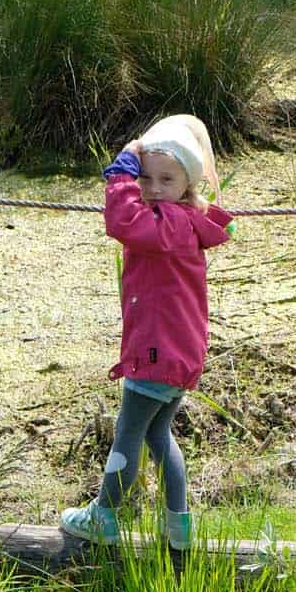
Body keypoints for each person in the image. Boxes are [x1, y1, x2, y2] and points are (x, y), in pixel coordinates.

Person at [60, 114, 233, 551]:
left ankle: (104, 514)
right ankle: (179, 527)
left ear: (187, 184)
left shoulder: (168, 224)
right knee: (159, 436)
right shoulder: (186, 221)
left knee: (128, 432)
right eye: (146, 178)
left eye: (167, 179)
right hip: (179, 353)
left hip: (157, 351)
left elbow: (123, 224)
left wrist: (121, 173)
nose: (154, 187)